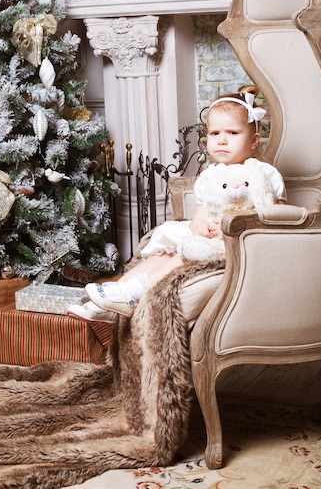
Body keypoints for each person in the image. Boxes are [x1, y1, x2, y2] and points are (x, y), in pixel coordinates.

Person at [67, 86, 287, 323]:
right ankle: (113, 296)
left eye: (233, 133)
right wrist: (202, 228)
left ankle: (132, 295)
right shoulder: (210, 175)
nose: (222, 140)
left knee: (180, 255)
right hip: (208, 237)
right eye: (214, 134)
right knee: (164, 251)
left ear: (254, 141)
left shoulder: (265, 174)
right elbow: (199, 218)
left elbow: (278, 217)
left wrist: (232, 227)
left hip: (238, 242)